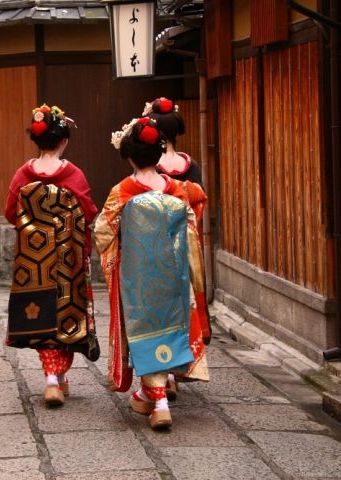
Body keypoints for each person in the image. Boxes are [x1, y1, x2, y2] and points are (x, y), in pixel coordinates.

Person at [94, 116, 209, 430]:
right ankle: (158, 391)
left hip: (138, 279)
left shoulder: (123, 191)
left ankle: (157, 401)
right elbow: (191, 230)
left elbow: (103, 232)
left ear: (129, 157)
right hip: (174, 278)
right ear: (159, 155)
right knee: (171, 327)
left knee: (145, 332)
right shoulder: (178, 190)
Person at [4, 104, 99, 408]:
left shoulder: (23, 174)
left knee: (40, 315)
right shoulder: (74, 175)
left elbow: (10, 214)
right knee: (66, 315)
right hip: (67, 259)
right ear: (63, 140)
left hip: (34, 262)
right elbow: (88, 212)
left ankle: (51, 377)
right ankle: (56, 377)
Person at [145, 97, 212, 401]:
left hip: (155, 244)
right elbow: (197, 203)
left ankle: (165, 373)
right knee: (185, 305)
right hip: (185, 244)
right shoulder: (190, 165)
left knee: (161, 309)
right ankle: (179, 366)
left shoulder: (151, 169)